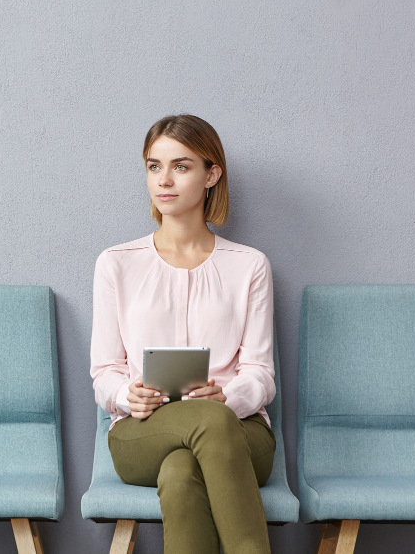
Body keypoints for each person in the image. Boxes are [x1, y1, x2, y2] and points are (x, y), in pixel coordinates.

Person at [90, 114, 277, 554]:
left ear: (212, 174)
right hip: (142, 431)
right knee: (200, 433)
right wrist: (124, 394)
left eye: (181, 165)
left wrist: (227, 399)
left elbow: (261, 373)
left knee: (179, 472)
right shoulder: (116, 263)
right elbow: (104, 371)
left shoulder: (249, 265)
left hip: (240, 431)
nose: (164, 180)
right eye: (154, 166)